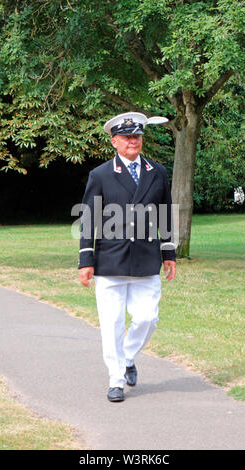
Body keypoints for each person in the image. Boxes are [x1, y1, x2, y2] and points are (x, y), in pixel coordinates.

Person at [78, 112, 176, 402]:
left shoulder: (157, 172)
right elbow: (88, 219)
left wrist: (168, 252)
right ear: (115, 142)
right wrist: (86, 260)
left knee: (148, 318)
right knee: (112, 323)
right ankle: (116, 379)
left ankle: (128, 355)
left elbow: (166, 214)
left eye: (137, 136)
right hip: (110, 261)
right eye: (127, 137)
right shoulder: (101, 175)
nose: (133, 141)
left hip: (146, 260)